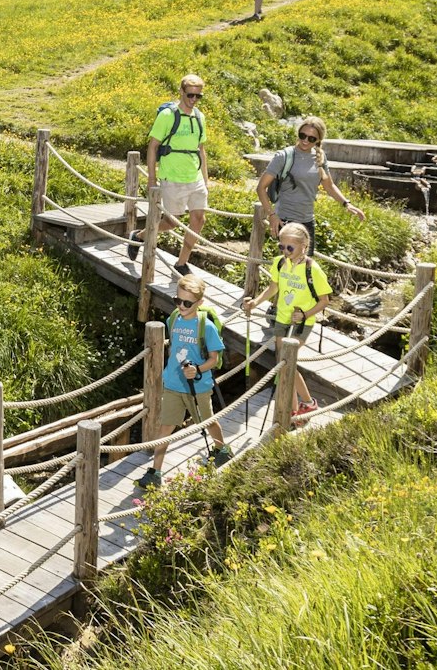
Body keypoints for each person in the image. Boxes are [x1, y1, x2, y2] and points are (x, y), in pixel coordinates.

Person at [138, 273, 232, 488]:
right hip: (173, 384)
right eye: (177, 300)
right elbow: (174, 347)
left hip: (197, 386)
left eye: (187, 302)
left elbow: (214, 359)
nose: (181, 305)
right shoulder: (173, 319)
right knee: (165, 428)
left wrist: (197, 369)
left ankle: (221, 449)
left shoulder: (205, 327)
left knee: (207, 421)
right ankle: (155, 471)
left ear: (199, 303)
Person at [242, 223, 331, 420]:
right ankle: (300, 406)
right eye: (281, 246)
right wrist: (255, 302)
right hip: (282, 320)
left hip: (301, 323)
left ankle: (299, 408)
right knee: (284, 365)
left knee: (286, 363)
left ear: (304, 246)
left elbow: (325, 300)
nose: (285, 251)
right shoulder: (280, 263)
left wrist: (305, 315)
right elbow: (274, 287)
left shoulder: (313, 270)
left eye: (290, 247)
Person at [130, 75, 211, 277]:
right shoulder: (167, 115)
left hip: (195, 177)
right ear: (181, 92)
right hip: (172, 176)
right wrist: (151, 178)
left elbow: (201, 149)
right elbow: (153, 146)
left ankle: (181, 262)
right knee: (172, 222)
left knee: (199, 220)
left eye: (198, 96)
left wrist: (206, 178)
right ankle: (140, 236)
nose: (194, 99)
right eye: (190, 94)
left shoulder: (200, 117)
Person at [256, 115, 365, 247]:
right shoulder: (283, 156)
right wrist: (272, 214)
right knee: (288, 266)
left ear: (318, 140)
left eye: (311, 138)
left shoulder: (320, 158)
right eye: (302, 135)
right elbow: (261, 187)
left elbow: (329, 186)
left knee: (305, 267)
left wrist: (346, 204)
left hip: (308, 222)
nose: (305, 140)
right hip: (285, 221)